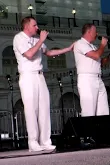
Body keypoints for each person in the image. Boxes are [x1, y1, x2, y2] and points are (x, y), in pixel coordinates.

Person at [13, 16, 74, 152]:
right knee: (31, 109)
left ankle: (46, 141)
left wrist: (68, 49)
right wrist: (41, 40)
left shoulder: (36, 40)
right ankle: (33, 142)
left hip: (40, 76)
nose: (37, 27)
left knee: (44, 109)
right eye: (34, 25)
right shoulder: (19, 38)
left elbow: (49, 52)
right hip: (28, 76)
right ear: (27, 26)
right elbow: (29, 54)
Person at [73, 23, 110, 117]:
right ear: (89, 32)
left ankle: (102, 131)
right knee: (89, 111)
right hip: (87, 78)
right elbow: (96, 55)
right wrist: (102, 45)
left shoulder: (93, 46)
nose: (97, 33)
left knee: (103, 110)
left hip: (98, 78)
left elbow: (100, 62)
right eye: (95, 31)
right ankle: (88, 131)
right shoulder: (80, 43)